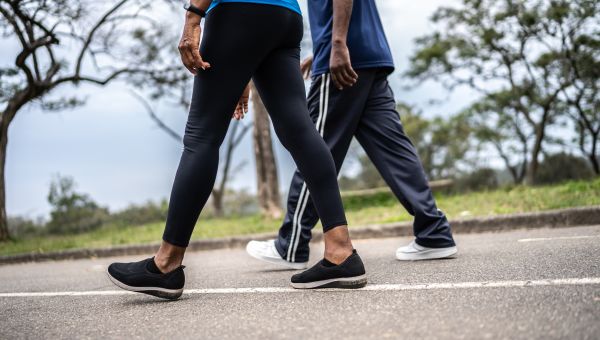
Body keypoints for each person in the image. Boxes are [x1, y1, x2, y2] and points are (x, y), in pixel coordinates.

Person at [107, 0, 367, 300]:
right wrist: (242, 71)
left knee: (201, 136)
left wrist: (193, 16)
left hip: (236, 10)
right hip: (285, 16)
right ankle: (341, 252)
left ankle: (165, 264)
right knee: (300, 132)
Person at [246, 0, 457, 269]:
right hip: (370, 54)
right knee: (394, 150)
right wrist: (326, 47)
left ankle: (292, 242)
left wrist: (336, 45)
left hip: (342, 58)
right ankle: (434, 232)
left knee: (312, 148)